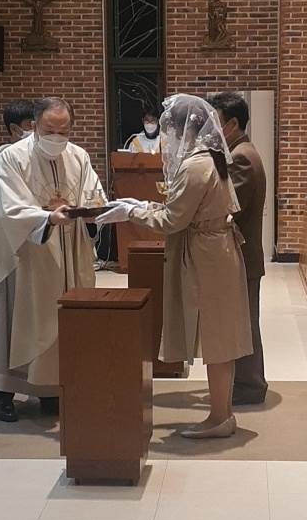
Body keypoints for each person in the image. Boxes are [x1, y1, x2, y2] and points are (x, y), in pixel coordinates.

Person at [97, 94, 251, 438]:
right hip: (215, 249)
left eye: (169, 129)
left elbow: (172, 220)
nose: (165, 135)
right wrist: (141, 204)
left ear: (184, 130)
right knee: (220, 335)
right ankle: (222, 414)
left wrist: (132, 212)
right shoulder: (209, 156)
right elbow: (185, 209)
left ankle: (220, 417)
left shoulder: (195, 164)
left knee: (217, 336)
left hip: (208, 255)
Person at [0, 96, 106, 423]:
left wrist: (92, 210)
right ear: (34, 125)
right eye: (50, 130)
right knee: (15, 319)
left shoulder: (78, 156)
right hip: (26, 255)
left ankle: (51, 390)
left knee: (61, 322)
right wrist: (47, 217)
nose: (57, 137)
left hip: (67, 253)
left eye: (64, 131)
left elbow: (94, 195)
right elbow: (11, 208)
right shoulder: (12, 157)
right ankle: (3, 392)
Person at [209, 89, 268, 405]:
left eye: (214, 123)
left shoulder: (242, 156)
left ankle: (250, 386)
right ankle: (246, 383)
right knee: (243, 322)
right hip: (243, 255)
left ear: (231, 124)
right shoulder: (239, 151)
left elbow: (227, 205)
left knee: (244, 325)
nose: (210, 131)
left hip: (242, 256)